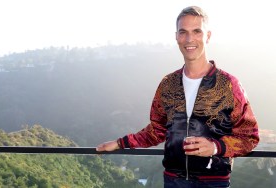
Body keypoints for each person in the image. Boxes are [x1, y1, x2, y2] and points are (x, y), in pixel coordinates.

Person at [96, 5, 259, 188]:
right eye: (183, 32)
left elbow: (249, 137)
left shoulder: (229, 85)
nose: (189, 39)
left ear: (208, 36)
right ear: (176, 37)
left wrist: (215, 147)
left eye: (197, 31)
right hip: (173, 181)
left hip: (213, 182)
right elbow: (156, 131)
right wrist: (119, 143)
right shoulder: (168, 84)